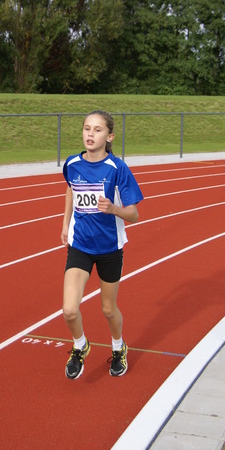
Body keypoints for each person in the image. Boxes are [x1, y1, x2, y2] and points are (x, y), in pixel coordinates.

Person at [61, 110, 143, 379]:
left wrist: (114, 209)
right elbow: (71, 189)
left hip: (109, 249)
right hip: (80, 246)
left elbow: (134, 214)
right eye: (86, 128)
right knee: (70, 309)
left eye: (97, 130)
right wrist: (65, 225)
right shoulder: (72, 164)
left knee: (108, 309)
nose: (90, 134)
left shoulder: (117, 168)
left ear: (109, 136)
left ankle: (119, 348)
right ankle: (80, 346)